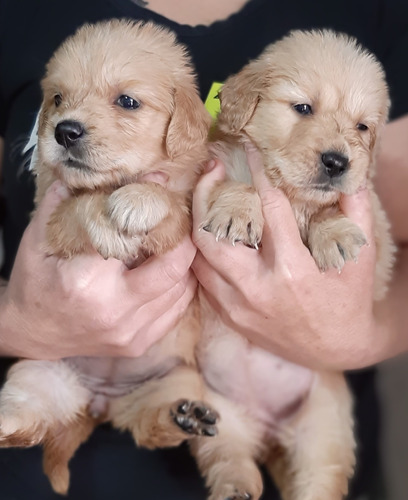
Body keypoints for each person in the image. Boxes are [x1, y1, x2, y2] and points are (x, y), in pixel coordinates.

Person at [0, 0, 407, 498]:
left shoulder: (377, 15)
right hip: (58, 457)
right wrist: (14, 323)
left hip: (277, 387)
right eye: (302, 107)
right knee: (215, 436)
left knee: (313, 462)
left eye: (126, 101)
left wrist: (358, 335)